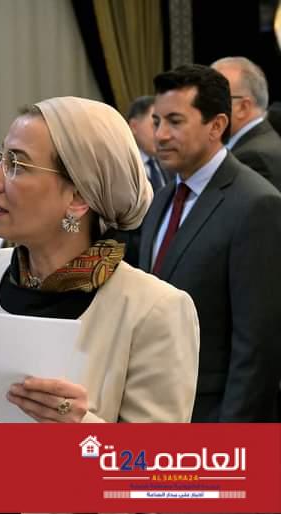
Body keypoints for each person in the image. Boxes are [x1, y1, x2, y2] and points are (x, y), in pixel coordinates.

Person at [0, 96, 200, 423]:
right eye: (0, 157)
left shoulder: (152, 311)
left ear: (78, 196)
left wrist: (80, 429)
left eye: (17, 165)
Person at [139, 64, 281, 421]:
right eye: (156, 121)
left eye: (175, 121)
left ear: (216, 126)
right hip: (155, 409)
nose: (160, 135)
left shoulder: (256, 203)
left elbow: (257, 344)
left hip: (214, 416)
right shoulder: (161, 199)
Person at [211, 57, 281, 191]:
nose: (203, 108)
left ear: (242, 107)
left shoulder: (252, 158)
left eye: (213, 98)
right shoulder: (265, 142)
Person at [127, 95, 169, 193]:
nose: (161, 134)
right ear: (134, 127)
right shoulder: (123, 170)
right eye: (155, 124)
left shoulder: (169, 159)